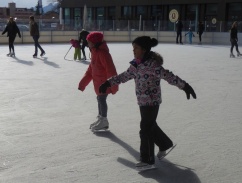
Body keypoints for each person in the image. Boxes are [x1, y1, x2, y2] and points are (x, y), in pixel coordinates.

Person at [99, 36, 196, 170]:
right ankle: (165, 144)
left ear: (144, 49)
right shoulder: (136, 64)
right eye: (133, 48)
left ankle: (147, 159)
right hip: (142, 101)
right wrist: (108, 83)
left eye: (136, 48)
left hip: (152, 101)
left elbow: (169, 76)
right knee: (150, 126)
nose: (133, 50)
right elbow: (124, 76)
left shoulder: (153, 65)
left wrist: (185, 86)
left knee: (145, 128)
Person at [78, 32, 118, 131]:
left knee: (101, 100)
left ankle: (104, 120)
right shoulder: (94, 53)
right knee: (100, 99)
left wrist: (113, 86)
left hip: (104, 84)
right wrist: (82, 84)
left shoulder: (103, 54)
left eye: (89, 42)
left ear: (95, 42)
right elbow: (90, 71)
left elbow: (111, 70)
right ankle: (101, 118)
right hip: (98, 83)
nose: (87, 44)